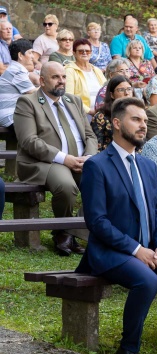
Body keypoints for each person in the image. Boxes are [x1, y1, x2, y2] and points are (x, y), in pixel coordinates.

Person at [76, 97, 157, 354]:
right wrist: (136, 250)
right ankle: (128, 349)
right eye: (135, 119)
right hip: (112, 251)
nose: (142, 126)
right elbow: (97, 222)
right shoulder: (96, 165)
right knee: (148, 280)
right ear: (116, 123)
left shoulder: (147, 166)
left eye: (144, 120)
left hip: (151, 248)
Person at [14, 62, 97, 256]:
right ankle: (63, 233)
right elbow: (28, 141)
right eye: (55, 77)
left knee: (101, 183)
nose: (61, 81)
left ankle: (71, 231)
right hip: (43, 162)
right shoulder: (28, 102)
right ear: (42, 81)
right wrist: (64, 158)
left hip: (80, 160)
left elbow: (90, 135)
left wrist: (89, 157)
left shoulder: (73, 101)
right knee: (66, 186)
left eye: (64, 76)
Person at [0, 39, 37, 132]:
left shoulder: (16, 69)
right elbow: (34, 93)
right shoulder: (16, 71)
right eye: (30, 52)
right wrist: (50, 86)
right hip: (10, 117)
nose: (33, 56)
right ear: (20, 55)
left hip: (14, 115)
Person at [64, 39, 107, 115]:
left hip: (102, 112)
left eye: (87, 51)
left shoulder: (96, 70)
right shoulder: (69, 71)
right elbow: (69, 96)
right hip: (82, 113)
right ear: (74, 53)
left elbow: (106, 89)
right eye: (81, 51)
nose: (84, 53)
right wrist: (89, 111)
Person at [91, 75, 133, 151]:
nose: (126, 93)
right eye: (121, 90)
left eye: (129, 89)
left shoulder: (138, 114)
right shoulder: (101, 117)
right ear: (112, 95)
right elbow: (97, 146)